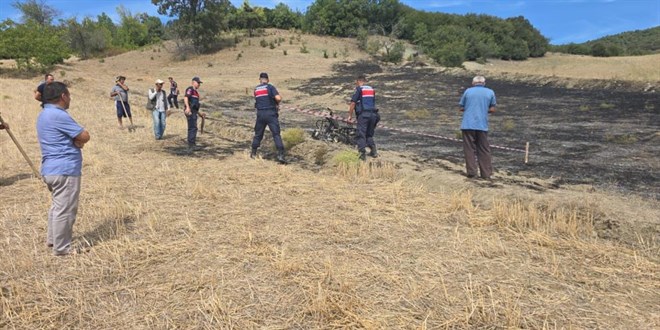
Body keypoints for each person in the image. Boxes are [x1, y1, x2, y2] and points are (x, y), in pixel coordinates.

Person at [36, 82, 91, 256]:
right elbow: (84, 135)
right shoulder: (59, 115)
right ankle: (62, 248)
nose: (70, 99)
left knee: (57, 206)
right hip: (65, 168)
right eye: (69, 95)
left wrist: (76, 141)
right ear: (63, 96)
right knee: (65, 210)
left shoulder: (43, 114)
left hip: (51, 168)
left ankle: (54, 240)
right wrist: (78, 141)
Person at [458, 75, 496, 180]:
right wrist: (484, 110)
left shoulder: (468, 91)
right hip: (482, 125)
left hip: (468, 124)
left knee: (469, 148)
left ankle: (472, 172)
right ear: (484, 83)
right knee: (484, 149)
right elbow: (492, 109)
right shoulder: (490, 92)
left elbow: (461, 107)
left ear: (473, 83)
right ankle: (486, 174)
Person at [250, 72, 286, 163]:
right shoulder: (270, 87)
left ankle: (253, 153)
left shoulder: (256, 89)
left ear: (260, 79)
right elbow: (278, 98)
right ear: (268, 80)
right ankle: (281, 155)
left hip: (260, 114)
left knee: (258, 134)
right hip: (271, 114)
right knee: (276, 134)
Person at [347, 74, 380, 161]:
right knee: (369, 134)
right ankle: (374, 151)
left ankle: (362, 155)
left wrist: (350, 116)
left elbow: (353, 103)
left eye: (356, 83)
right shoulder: (372, 90)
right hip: (374, 115)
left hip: (364, 115)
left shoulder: (359, 89)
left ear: (358, 81)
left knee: (361, 134)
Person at [184, 76, 202, 151]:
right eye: (198, 83)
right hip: (190, 111)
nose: (199, 84)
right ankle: (191, 145)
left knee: (194, 127)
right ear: (193, 82)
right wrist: (187, 108)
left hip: (194, 111)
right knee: (192, 128)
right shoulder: (190, 89)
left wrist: (200, 114)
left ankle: (192, 144)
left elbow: (195, 105)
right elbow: (186, 98)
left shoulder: (196, 93)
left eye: (199, 83)